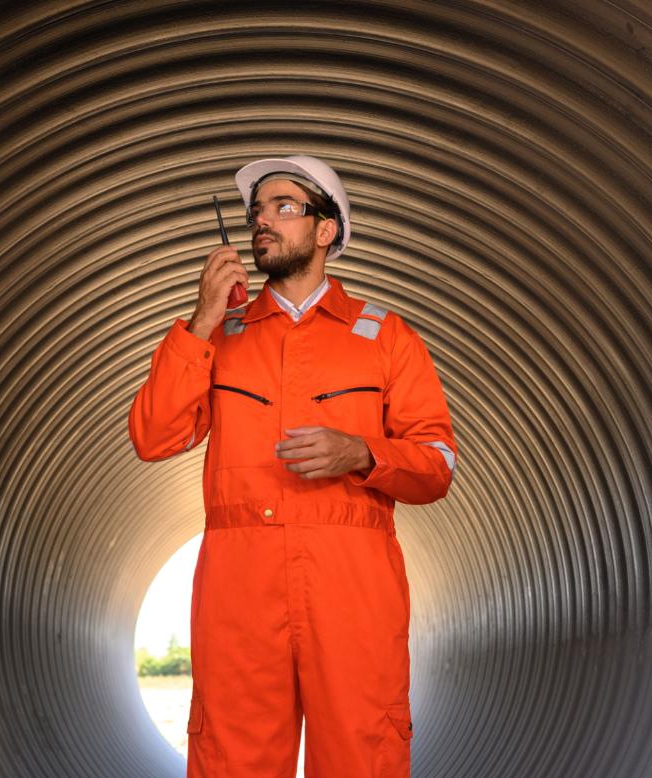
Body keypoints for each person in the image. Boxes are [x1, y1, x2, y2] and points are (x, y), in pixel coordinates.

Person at [128, 155, 456, 778]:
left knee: (364, 752)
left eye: (284, 208)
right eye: (257, 211)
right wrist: (199, 320)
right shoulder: (218, 335)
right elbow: (153, 436)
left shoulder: (387, 337)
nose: (263, 223)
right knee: (232, 756)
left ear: (327, 231)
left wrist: (362, 453)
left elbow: (436, 464)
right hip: (239, 590)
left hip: (353, 588)